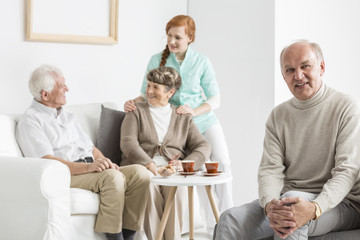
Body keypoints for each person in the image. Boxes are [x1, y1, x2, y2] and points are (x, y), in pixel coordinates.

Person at [213, 40, 360, 240]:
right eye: (290, 70)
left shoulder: (346, 107)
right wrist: (269, 205)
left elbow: (347, 170)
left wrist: (315, 207)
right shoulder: (278, 115)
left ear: (322, 67)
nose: (298, 76)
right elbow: (270, 169)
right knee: (230, 219)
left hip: (340, 204)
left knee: (291, 214)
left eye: (305, 66)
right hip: (289, 198)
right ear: (284, 77)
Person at [124, 14, 233, 234]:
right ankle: (207, 224)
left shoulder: (202, 62)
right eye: (169, 36)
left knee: (222, 164)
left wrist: (194, 110)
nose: (171, 42)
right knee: (196, 170)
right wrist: (130, 103)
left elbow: (215, 99)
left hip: (202, 120)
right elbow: (148, 93)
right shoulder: (157, 59)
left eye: (177, 37)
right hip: (176, 127)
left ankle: (228, 222)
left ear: (190, 38)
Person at [16, 64, 151, 240]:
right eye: (61, 86)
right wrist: (89, 168)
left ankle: (129, 235)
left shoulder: (67, 116)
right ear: (45, 94)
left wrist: (106, 162)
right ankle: (114, 237)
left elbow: (91, 149)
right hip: (66, 175)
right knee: (112, 178)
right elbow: (48, 162)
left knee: (140, 173)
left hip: (90, 169)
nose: (67, 89)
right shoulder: (31, 120)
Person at [120, 66, 211, 240]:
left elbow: (203, 145)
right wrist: (148, 162)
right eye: (149, 85)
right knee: (147, 186)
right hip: (142, 169)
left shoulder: (182, 116)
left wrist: (184, 164)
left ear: (170, 92)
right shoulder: (135, 111)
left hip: (172, 171)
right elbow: (128, 143)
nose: (149, 91)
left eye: (155, 87)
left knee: (178, 188)